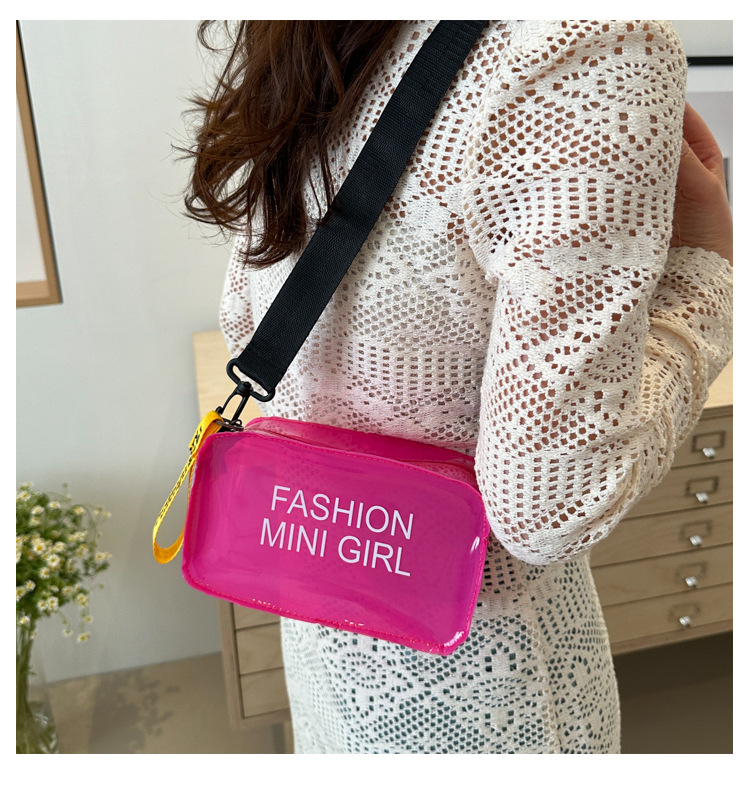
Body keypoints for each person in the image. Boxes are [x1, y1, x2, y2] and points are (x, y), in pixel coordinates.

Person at [185, 21, 732, 754]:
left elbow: (246, 317)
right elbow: (549, 505)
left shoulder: (312, 32)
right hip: (492, 694)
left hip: (326, 633)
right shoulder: (587, 41)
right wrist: (703, 277)